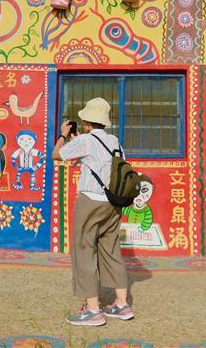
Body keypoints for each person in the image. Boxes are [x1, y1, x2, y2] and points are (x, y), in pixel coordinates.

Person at [53, 97, 133, 326]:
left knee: (84, 249)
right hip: (113, 203)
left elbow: (56, 155)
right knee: (110, 249)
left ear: (86, 122)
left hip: (91, 201)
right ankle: (121, 304)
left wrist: (62, 136)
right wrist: (77, 140)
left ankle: (93, 310)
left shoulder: (86, 140)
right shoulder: (115, 141)